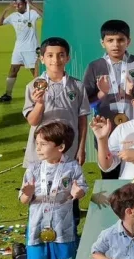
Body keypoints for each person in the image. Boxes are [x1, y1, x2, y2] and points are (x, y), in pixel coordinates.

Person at [85, 20, 134, 179]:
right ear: (103, 43)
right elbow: (87, 103)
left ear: (128, 41)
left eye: (121, 40)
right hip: (106, 131)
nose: (116, 45)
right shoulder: (94, 67)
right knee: (109, 175)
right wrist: (101, 94)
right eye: (110, 40)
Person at [18, 122, 87, 259]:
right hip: (38, 223)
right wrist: (28, 193)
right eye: (37, 143)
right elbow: (23, 200)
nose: (37, 148)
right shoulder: (33, 169)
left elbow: (81, 190)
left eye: (43, 144)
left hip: (62, 223)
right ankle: (21, 255)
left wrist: (78, 192)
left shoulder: (73, 167)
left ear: (60, 147)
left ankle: (68, 250)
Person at [22, 38, 90, 167]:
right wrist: (40, 104)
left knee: (67, 185)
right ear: (42, 59)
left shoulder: (77, 86)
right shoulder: (32, 86)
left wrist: (81, 148)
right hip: (40, 150)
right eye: (50, 55)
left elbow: (82, 120)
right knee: (38, 186)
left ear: (68, 58)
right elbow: (32, 121)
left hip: (68, 147)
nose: (55, 60)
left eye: (61, 55)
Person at [0, 0, 41, 102]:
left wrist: (32, 4)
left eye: (20, 4)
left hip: (31, 48)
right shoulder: (13, 16)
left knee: (35, 72)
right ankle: (8, 94)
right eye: (16, 4)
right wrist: (7, 9)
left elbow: (44, 15)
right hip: (18, 48)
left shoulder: (32, 14)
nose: (17, 6)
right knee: (13, 70)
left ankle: (40, 95)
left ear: (25, 4)